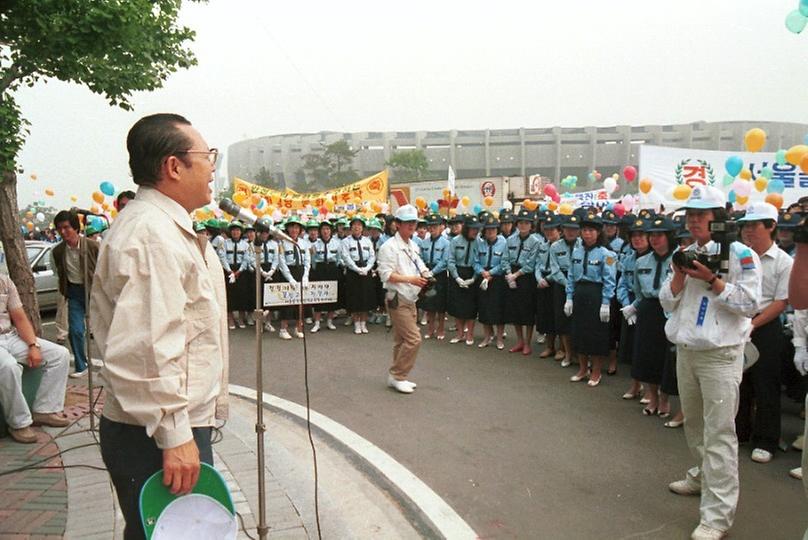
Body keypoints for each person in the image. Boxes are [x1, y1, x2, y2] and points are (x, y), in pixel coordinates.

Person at [91, 113, 229, 539]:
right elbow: (147, 347)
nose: (212, 168)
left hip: (166, 427)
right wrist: (174, 436)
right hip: (154, 435)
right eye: (207, 157)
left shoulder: (167, 228)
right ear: (173, 166)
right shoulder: (152, 236)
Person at [659, 186, 761, 540]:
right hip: (687, 351)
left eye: (701, 216)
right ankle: (702, 476)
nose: (694, 221)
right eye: (690, 215)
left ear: (719, 219)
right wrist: (679, 276)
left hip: (720, 356)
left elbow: (750, 304)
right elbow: (666, 301)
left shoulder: (741, 255)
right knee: (696, 427)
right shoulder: (684, 253)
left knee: (719, 434)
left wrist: (714, 281)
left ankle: (717, 516)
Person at [735, 202, 793, 464]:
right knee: (739, 381)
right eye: (746, 225)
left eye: (754, 225)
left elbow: (781, 301)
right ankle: (740, 432)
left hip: (766, 327)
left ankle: (766, 439)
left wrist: (754, 324)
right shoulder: (741, 255)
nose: (748, 230)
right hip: (739, 323)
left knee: (766, 384)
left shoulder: (784, 261)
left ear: (771, 226)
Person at [0, 273, 70, 443]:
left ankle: (44, 410)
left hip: (10, 335)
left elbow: (19, 317)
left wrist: (33, 346)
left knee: (60, 355)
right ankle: (19, 423)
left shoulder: (4, 281)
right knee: (8, 367)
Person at [376, 204, 429, 394]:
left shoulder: (413, 245)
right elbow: (386, 275)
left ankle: (396, 376)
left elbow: (419, 264)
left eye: (414, 222)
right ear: (397, 224)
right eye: (407, 222)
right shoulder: (388, 247)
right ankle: (398, 374)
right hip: (397, 297)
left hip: (411, 296)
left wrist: (425, 274)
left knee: (401, 340)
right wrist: (412, 279)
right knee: (414, 339)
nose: (412, 226)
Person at [630, 217, 679, 423]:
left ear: (669, 237)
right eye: (652, 235)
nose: (655, 239)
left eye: (660, 235)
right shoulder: (642, 261)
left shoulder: (679, 259)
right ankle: (652, 396)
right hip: (649, 309)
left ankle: (665, 399)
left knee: (666, 357)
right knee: (647, 355)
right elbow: (638, 290)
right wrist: (636, 307)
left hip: (671, 311)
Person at [565, 213, 617, 387]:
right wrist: (568, 297)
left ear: (598, 233)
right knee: (579, 333)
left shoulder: (607, 254)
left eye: (591, 231)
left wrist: (606, 302)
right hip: (580, 293)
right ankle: (582, 369)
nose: (587, 234)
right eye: (585, 230)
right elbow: (571, 275)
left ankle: (596, 372)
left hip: (596, 294)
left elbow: (610, 279)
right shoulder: (576, 251)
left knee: (595, 336)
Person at [51, 209, 99, 378]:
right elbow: (59, 272)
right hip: (74, 292)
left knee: (103, 330)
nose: (63, 232)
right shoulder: (58, 251)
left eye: (66, 227)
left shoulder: (92, 246)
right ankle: (81, 364)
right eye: (59, 229)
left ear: (75, 227)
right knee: (76, 331)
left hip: (94, 292)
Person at [616, 217, 649, 399]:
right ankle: (635, 385)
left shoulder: (653, 259)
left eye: (641, 235)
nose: (637, 239)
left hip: (645, 306)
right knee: (631, 349)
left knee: (647, 349)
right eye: (634, 236)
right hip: (629, 305)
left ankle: (651, 388)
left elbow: (650, 289)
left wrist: (635, 306)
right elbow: (621, 283)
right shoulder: (628, 259)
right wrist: (625, 304)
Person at [505, 209, 540, 355]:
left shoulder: (535, 241)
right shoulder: (510, 240)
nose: (523, 225)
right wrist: (508, 274)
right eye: (521, 223)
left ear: (531, 225)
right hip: (511, 275)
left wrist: (516, 275)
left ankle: (527, 342)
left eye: (526, 223)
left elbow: (531, 263)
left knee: (527, 312)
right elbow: (505, 258)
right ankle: (519, 340)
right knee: (516, 311)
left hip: (526, 278)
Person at [548, 214, 582, 367]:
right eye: (568, 229)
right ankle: (568, 353)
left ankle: (579, 354)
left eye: (574, 229)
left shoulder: (583, 245)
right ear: (563, 230)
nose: (571, 232)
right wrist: (568, 284)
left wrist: (575, 284)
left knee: (579, 320)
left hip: (579, 285)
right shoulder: (555, 246)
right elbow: (554, 270)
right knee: (563, 321)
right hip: (561, 285)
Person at [475, 216, 509, 349]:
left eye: (493, 229)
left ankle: (499, 338)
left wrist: (491, 273)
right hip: (483, 277)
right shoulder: (480, 243)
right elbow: (475, 261)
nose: (490, 232)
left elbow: (504, 262)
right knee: (484, 309)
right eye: (488, 229)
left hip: (498, 279)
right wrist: (482, 272)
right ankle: (487, 337)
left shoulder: (503, 243)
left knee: (499, 309)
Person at [447, 215, 482, 345]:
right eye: (473, 229)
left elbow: (479, 261)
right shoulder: (455, 241)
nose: (475, 232)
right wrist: (457, 278)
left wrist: (473, 278)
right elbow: (450, 260)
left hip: (472, 273)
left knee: (470, 307)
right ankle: (460, 334)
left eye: (477, 229)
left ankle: (469, 334)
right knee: (457, 306)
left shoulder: (479, 242)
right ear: (467, 229)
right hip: (458, 273)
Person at [340, 216, 376, 334]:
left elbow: (372, 256)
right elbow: (346, 257)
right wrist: (356, 269)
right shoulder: (346, 241)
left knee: (365, 298)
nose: (357, 227)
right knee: (354, 298)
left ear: (362, 228)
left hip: (366, 270)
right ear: (351, 227)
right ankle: (356, 324)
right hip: (353, 272)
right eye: (354, 225)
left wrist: (367, 268)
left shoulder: (367, 240)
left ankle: (363, 323)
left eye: (359, 225)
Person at [277, 216, 311, 339]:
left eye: (297, 227)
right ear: (287, 228)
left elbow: (307, 261)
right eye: (292, 227)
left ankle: (298, 327)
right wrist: (290, 278)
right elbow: (282, 262)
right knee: (287, 302)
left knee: (300, 302)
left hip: (301, 271)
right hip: (288, 273)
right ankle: (283, 329)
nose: (294, 230)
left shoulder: (304, 243)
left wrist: (306, 276)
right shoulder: (282, 243)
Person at [418, 213, 450, 340]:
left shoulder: (445, 243)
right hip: (427, 273)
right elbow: (420, 257)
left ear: (440, 227)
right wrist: (425, 271)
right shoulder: (424, 242)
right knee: (429, 304)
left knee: (440, 305)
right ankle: (430, 329)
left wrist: (433, 272)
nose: (432, 229)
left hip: (439, 275)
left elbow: (444, 261)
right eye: (430, 226)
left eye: (435, 226)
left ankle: (441, 329)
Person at [535, 214, 562, 359]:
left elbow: (558, 267)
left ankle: (561, 348)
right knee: (545, 315)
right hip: (542, 282)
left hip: (556, 281)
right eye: (547, 230)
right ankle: (549, 346)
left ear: (559, 231)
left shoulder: (561, 247)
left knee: (557, 315)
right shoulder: (543, 246)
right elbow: (538, 264)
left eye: (552, 230)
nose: (549, 233)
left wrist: (548, 279)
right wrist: (539, 278)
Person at [217, 221, 252, 329]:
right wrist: (229, 270)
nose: (235, 232)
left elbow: (246, 259)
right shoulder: (224, 243)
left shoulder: (246, 244)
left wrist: (239, 271)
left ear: (241, 232)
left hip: (241, 272)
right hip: (229, 270)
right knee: (230, 295)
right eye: (233, 230)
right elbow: (222, 257)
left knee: (242, 295)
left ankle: (241, 318)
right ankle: (230, 319)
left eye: (237, 230)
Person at [310, 220, 341, 332]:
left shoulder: (337, 243)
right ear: (320, 231)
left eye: (328, 229)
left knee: (332, 295)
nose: (325, 231)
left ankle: (329, 321)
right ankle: (317, 323)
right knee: (319, 295)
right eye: (323, 229)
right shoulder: (315, 245)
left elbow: (338, 258)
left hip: (332, 269)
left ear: (331, 231)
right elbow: (313, 261)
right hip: (320, 269)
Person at [254, 228, 280, 333]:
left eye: (266, 232)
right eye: (262, 232)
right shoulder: (254, 244)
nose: (264, 234)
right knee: (258, 299)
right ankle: (259, 323)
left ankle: (268, 322)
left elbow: (276, 258)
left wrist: (272, 270)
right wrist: (262, 272)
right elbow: (253, 259)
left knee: (270, 299)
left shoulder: (274, 244)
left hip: (271, 270)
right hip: (259, 271)